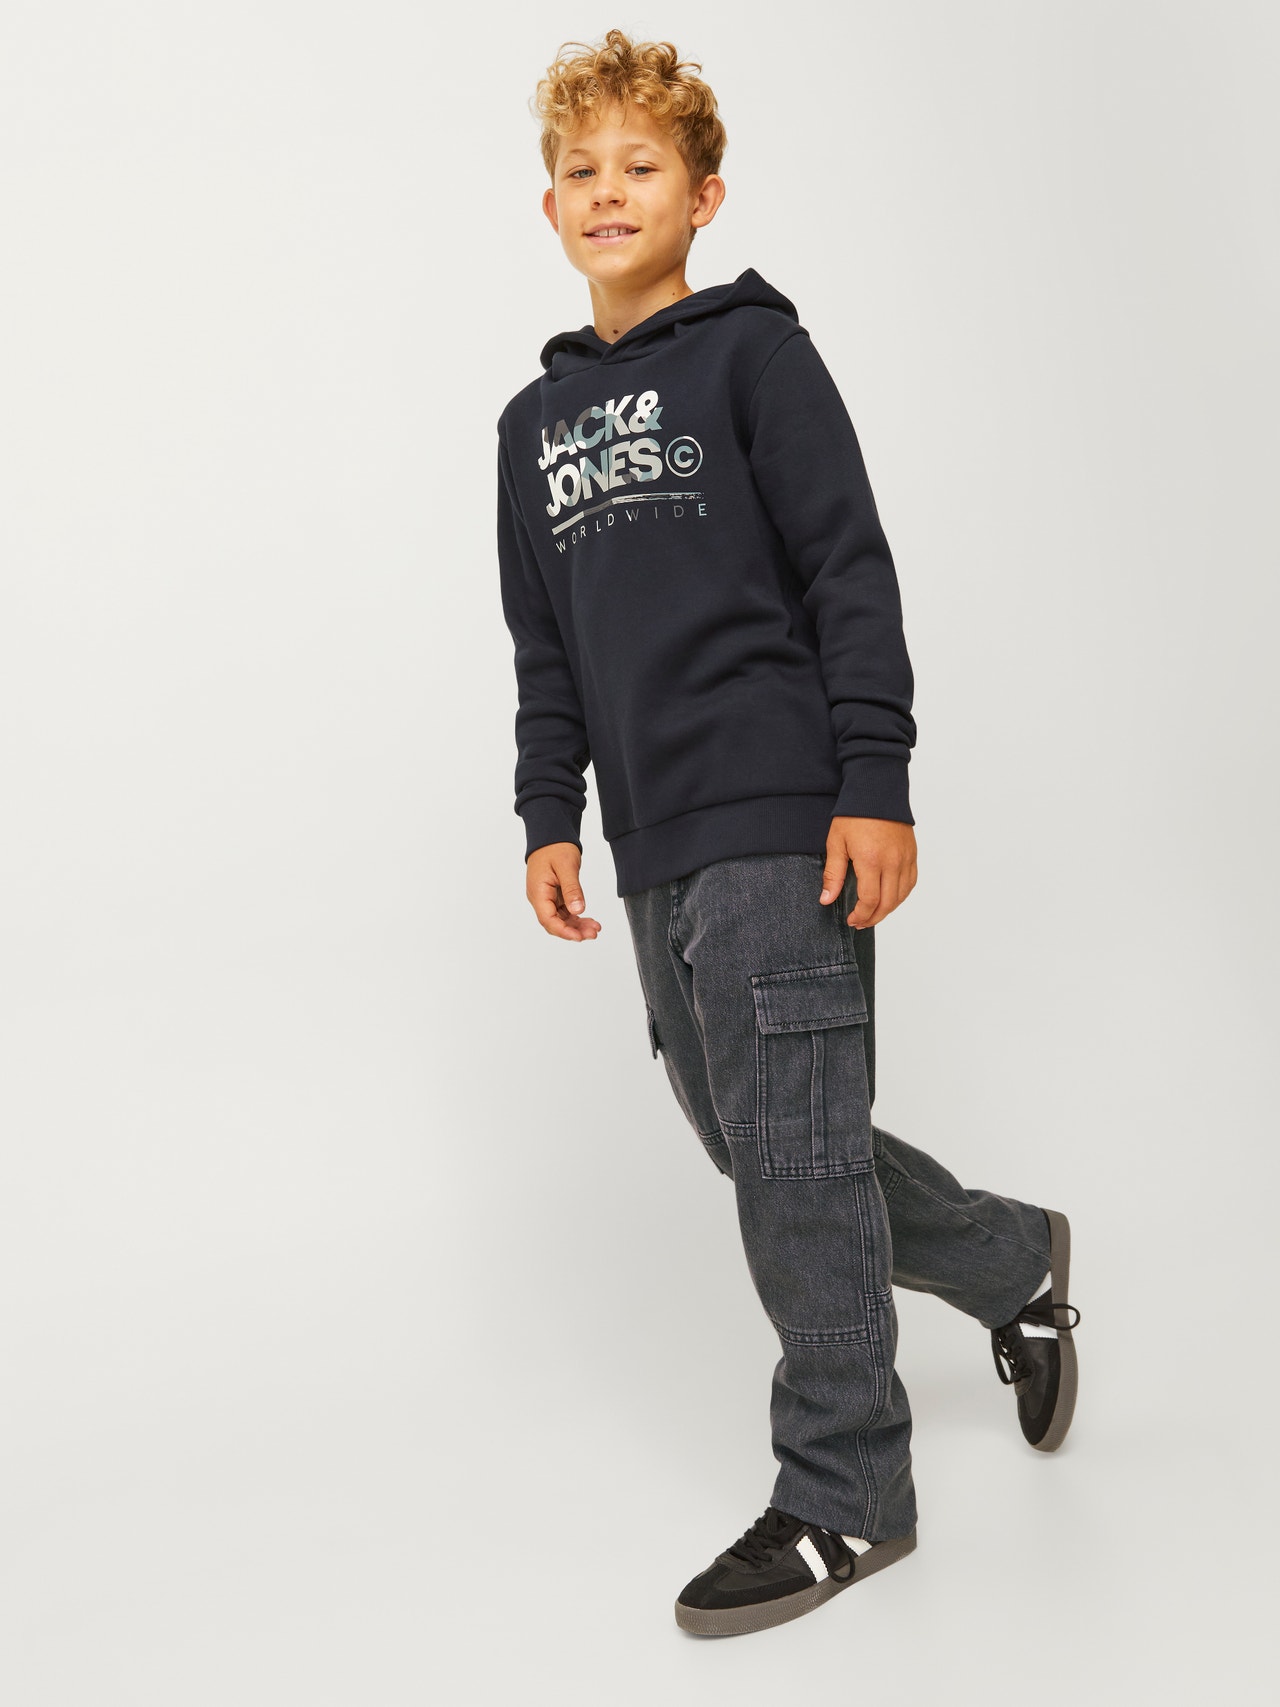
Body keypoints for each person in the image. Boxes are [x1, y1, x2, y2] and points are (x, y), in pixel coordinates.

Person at [494, 28, 1081, 1640]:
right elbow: (546, 650)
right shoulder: (528, 429)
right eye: (582, 170)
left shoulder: (757, 358)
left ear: (704, 195)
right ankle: (1011, 1262)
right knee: (764, 1139)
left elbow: (847, 570)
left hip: (780, 812)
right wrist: (550, 813)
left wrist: (874, 779)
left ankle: (846, 1490)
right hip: (653, 843)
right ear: (548, 207)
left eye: (643, 165)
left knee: (796, 1159)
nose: (609, 191)